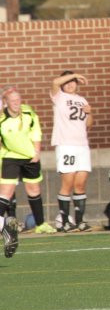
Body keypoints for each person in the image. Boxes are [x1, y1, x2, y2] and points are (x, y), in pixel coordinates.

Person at [0, 88, 56, 257]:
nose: (17, 103)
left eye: (18, 99)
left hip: (29, 156)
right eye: (13, 100)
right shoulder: (2, 119)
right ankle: (4, 226)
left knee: (34, 189)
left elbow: (36, 132)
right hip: (10, 156)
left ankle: (40, 224)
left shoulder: (28, 113)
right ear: (6, 102)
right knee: (6, 192)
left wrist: (36, 152)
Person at [50, 71, 93, 232]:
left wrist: (89, 112)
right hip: (66, 145)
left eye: (73, 81)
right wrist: (74, 74)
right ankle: (64, 220)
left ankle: (80, 221)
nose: (70, 84)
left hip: (82, 145)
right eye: (68, 81)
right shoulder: (59, 97)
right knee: (67, 183)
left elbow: (89, 124)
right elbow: (55, 82)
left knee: (80, 184)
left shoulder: (82, 100)